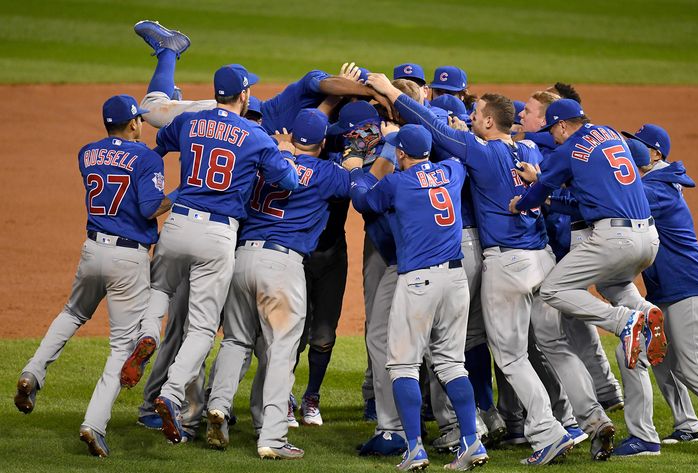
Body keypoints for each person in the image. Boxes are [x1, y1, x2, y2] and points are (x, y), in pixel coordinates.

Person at [367, 73, 574, 466]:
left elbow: (432, 128)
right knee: (545, 346)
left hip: (502, 263)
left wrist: (393, 94)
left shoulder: (475, 155)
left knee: (507, 356)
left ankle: (544, 431)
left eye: (477, 113)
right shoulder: (528, 150)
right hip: (540, 258)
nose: (472, 116)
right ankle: (567, 422)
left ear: (489, 122)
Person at [123, 64, 299, 445]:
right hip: (218, 234)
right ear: (245, 95)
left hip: (178, 223)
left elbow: (160, 146)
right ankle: (170, 395)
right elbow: (288, 181)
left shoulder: (192, 121)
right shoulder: (255, 134)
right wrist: (282, 151)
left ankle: (148, 334)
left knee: (161, 290)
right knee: (201, 327)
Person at [14, 95, 171, 457]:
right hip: (128, 260)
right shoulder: (145, 158)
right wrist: (177, 197)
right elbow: (149, 207)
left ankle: (33, 372)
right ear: (133, 123)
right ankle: (93, 423)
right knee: (121, 348)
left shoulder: (86, 153)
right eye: (140, 121)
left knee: (71, 314)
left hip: (92, 250)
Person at [205, 108, 350, 459]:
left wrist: (280, 147)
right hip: (282, 266)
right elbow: (353, 184)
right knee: (281, 350)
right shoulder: (327, 172)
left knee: (236, 340)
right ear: (323, 141)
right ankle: (272, 437)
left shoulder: (263, 162)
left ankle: (219, 407)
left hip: (242, 259)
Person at [344, 124, 488, 471]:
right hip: (455, 279)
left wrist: (354, 173)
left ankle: (414, 450)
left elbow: (365, 200)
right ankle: (470, 442)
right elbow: (455, 155)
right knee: (452, 363)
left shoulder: (397, 183)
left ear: (402, 154)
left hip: (419, 282)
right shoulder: (452, 171)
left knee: (403, 364)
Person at [511, 99, 666, 371]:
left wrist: (522, 203)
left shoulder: (568, 149)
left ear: (562, 126)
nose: (552, 137)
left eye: (552, 130)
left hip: (614, 239)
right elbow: (585, 200)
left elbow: (540, 192)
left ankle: (623, 321)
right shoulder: (611, 134)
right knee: (612, 283)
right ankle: (643, 310)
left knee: (554, 289)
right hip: (649, 238)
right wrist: (546, 194)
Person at [612, 132, 698, 456]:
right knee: (660, 358)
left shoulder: (658, 189)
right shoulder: (657, 182)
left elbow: (619, 200)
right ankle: (688, 425)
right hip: (667, 289)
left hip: (688, 287)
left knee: (694, 367)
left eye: (637, 146)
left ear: (654, 153)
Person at [133, 21, 392, 134]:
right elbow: (327, 84)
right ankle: (169, 49)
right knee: (152, 111)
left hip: (244, 132)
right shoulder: (311, 86)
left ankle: (179, 102)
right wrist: (370, 90)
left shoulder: (346, 120)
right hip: (233, 113)